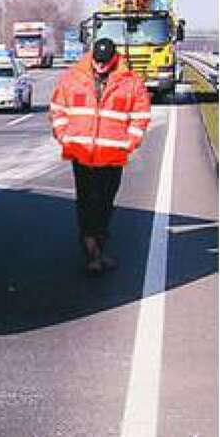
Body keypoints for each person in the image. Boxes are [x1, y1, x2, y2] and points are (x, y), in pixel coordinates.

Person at [49, 38, 151, 274]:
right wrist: (64, 136)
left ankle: (98, 245)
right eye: (97, 61)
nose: (101, 66)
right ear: (91, 57)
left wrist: (129, 142)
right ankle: (92, 251)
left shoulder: (131, 83)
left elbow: (140, 113)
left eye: (105, 62)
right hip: (81, 153)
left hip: (112, 154)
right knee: (86, 202)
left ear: (114, 58)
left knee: (105, 203)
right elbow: (58, 109)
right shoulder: (72, 78)